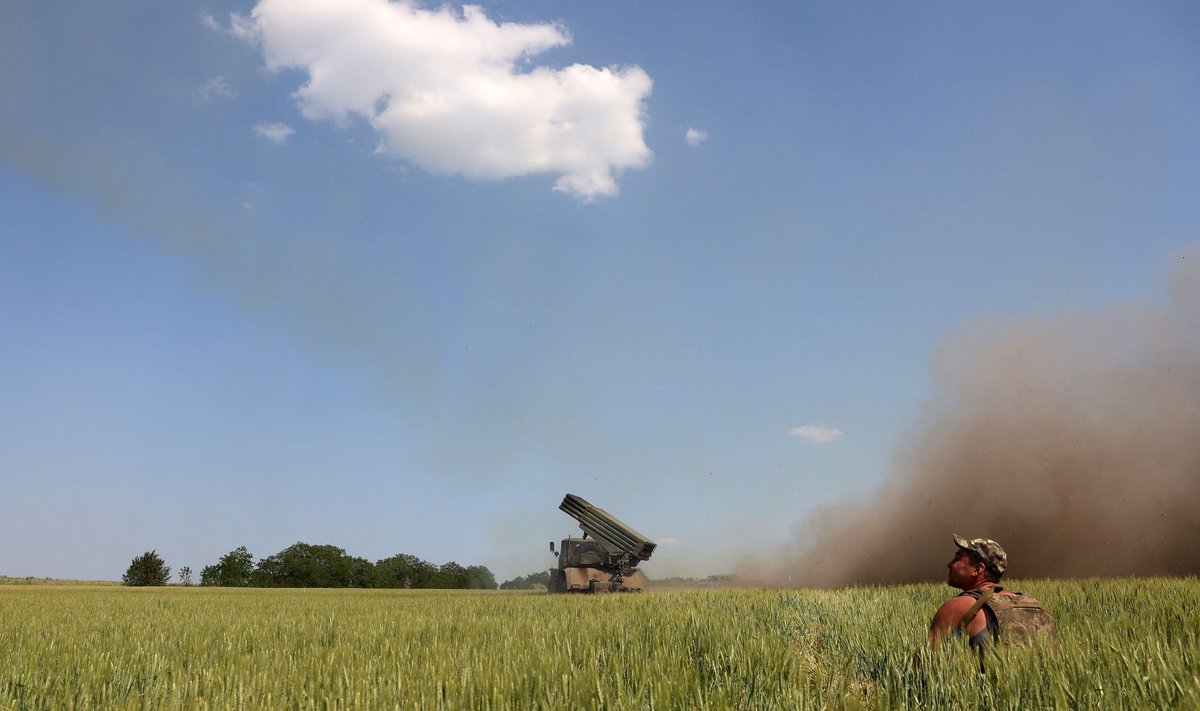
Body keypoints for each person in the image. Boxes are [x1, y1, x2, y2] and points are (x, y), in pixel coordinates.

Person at [928, 534, 1011, 651]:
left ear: (978, 569)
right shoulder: (1032, 604)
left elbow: (925, 661)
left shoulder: (958, 606)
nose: (949, 564)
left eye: (957, 559)